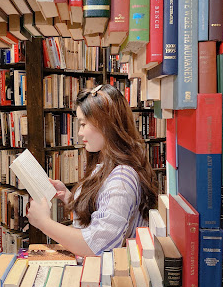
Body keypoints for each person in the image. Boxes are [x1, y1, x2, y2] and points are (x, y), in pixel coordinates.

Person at [27, 84, 158, 256]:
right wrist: (69, 197)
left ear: (105, 124)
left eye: (83, 124)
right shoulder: (105, 162)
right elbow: (100, 214)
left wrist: (44, 223)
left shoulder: (122, 178)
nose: (80, 133)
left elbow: (98, 246)